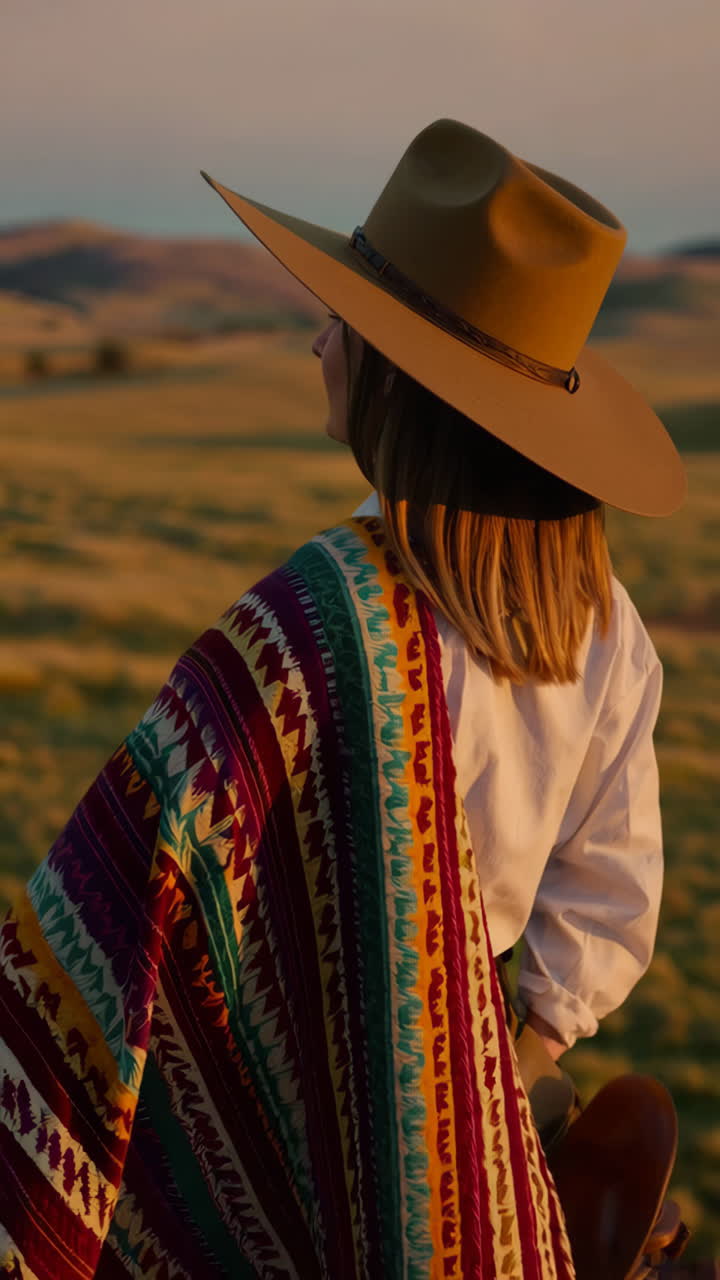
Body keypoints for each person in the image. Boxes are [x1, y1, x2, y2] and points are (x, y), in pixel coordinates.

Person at [0, 120, 686, 1279]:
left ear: (398, 381)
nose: (318, 337)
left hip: (288, 1105)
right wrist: (509, 1061)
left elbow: (119, 883)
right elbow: (611, 894)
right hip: (482, 1129)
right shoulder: (605, 624)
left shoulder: (312, 618)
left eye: (344, 321)